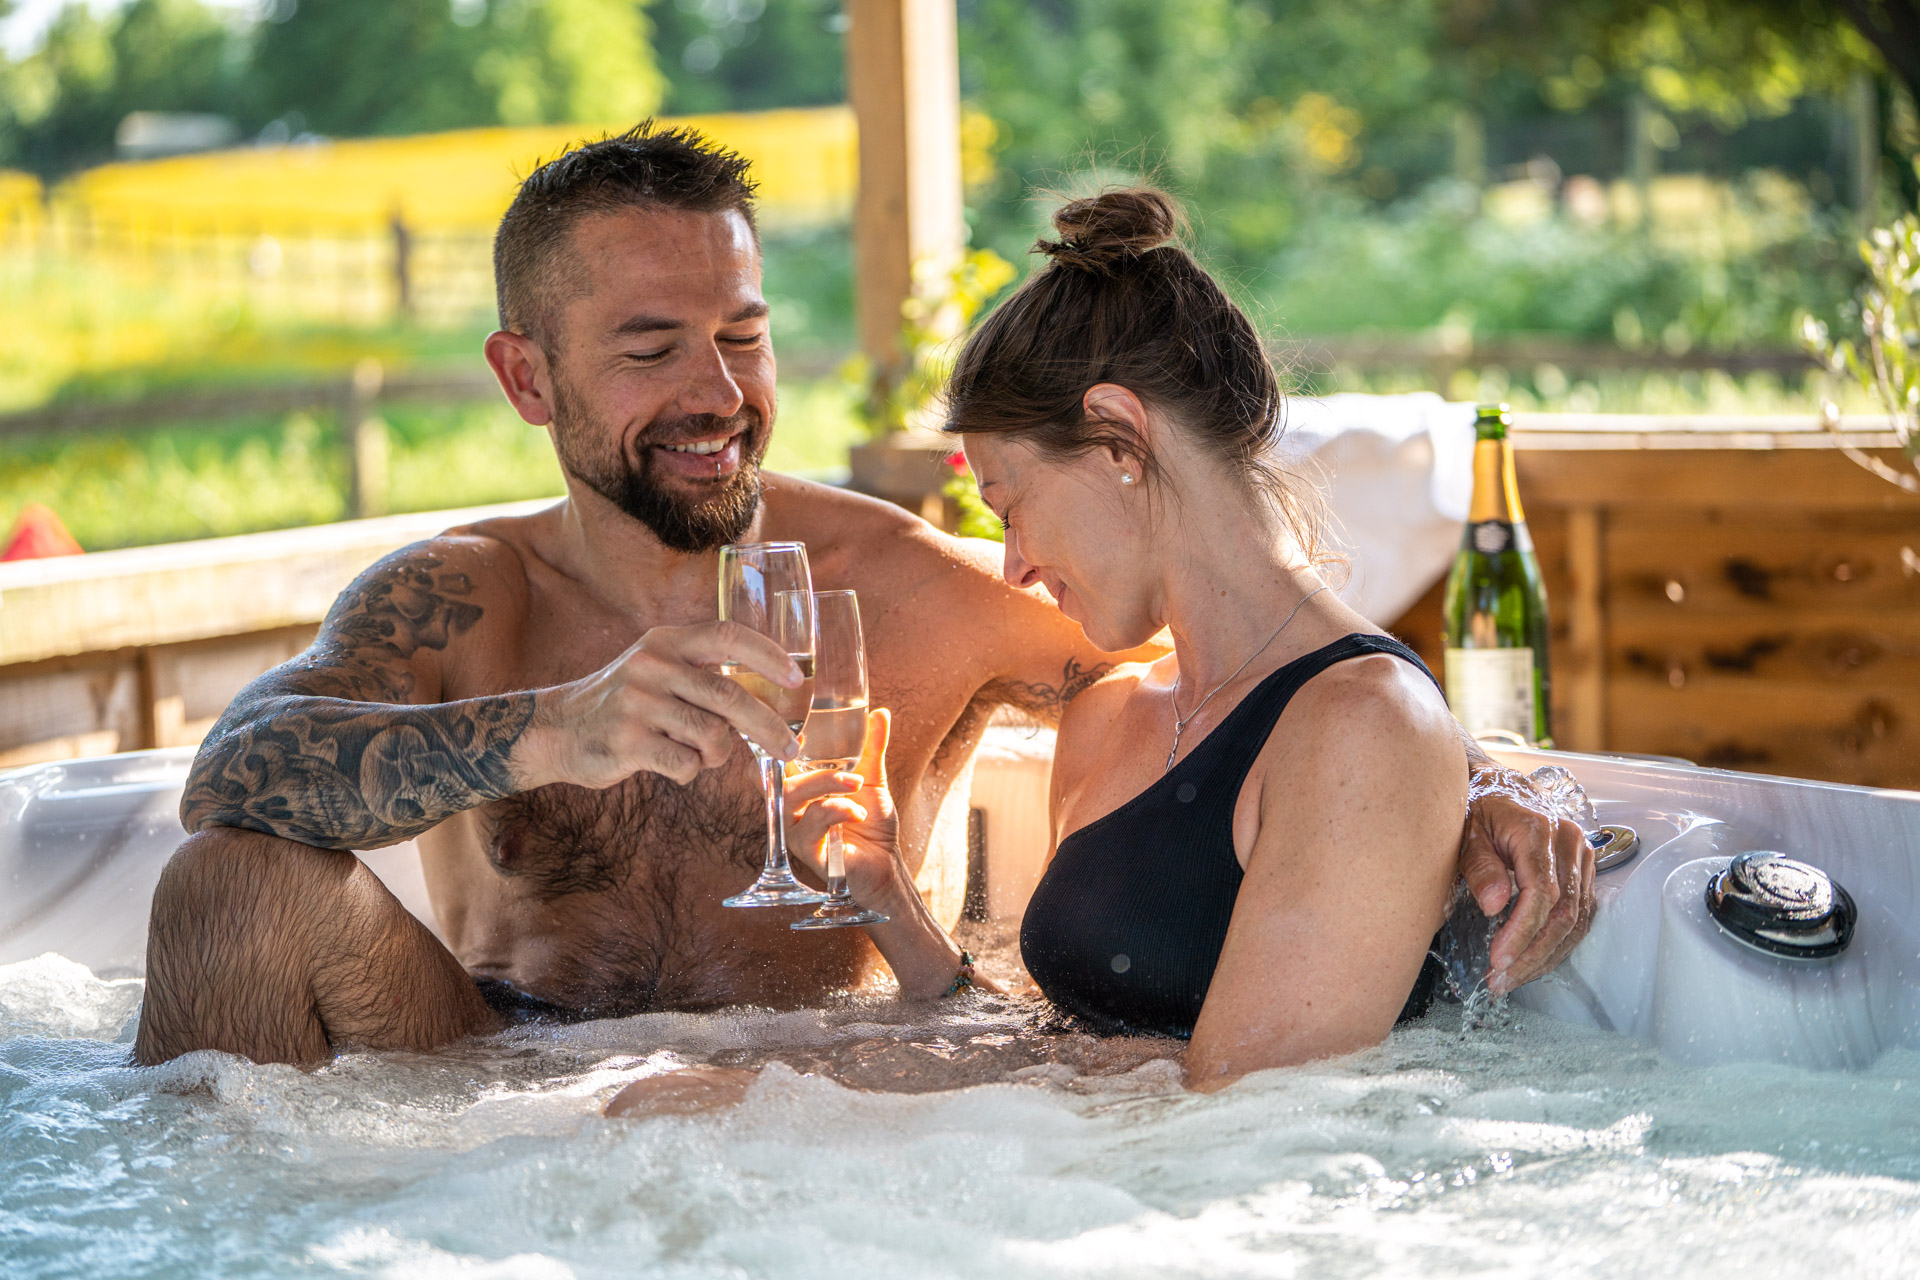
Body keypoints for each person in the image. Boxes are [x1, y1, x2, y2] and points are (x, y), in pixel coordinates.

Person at [133, 125, 1591, 1071]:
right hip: (502, 1085)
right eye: (651, 348)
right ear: (529, 378)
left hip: (814, 1098)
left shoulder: (903, 585)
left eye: (743, 338)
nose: (717, 394)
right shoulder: (469, 601)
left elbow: (1241, 700)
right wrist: (556, 733)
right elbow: (233, 778)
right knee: (226, 896)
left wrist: (1484, 782)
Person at [628, 187, 1532, 1109]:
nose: (1014, 565)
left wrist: (804, 1102)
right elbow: (1063, 1051)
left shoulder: (1364, 727)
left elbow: (1245, 1119)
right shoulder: (1113, 715)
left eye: (1011, 506)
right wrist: (891, 907)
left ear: (1118, 438)